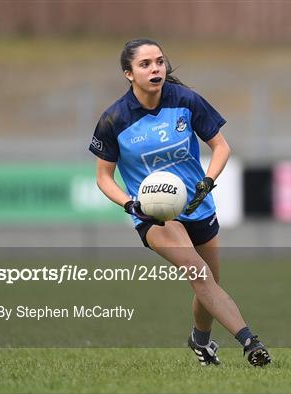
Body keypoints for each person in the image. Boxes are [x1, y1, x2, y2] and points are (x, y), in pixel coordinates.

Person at [88, 38, 271, 367]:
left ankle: (200, 341)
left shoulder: (185, 100)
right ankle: (249, 342)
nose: (155, 68)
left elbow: (222, 146)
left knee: (209, 284)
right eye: (145, 64)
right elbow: (103, 177)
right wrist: (131, 204)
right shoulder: (114, 119)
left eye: (159, 61)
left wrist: (208, 182)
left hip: (198, 206)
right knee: (199, 275)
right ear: (128, 73)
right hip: (154, 216)